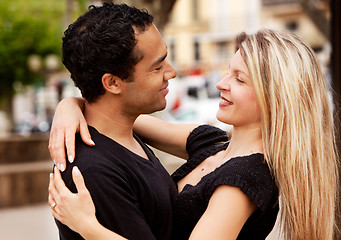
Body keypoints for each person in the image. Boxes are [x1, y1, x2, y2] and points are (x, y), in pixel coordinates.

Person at [49, 29, 339, 240]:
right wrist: (69, 106)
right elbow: (117, 115)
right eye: (228, 72)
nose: (221, 84)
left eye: (239, 79)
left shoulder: (243, 182)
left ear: (274, 97)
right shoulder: (213, 144)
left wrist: (88, 227)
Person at [49, 2, 178, 240]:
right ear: (113, 83)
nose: (171, 73)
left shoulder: (124, 137)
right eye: (158, 66)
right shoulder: (91, 171)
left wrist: (70, 103)